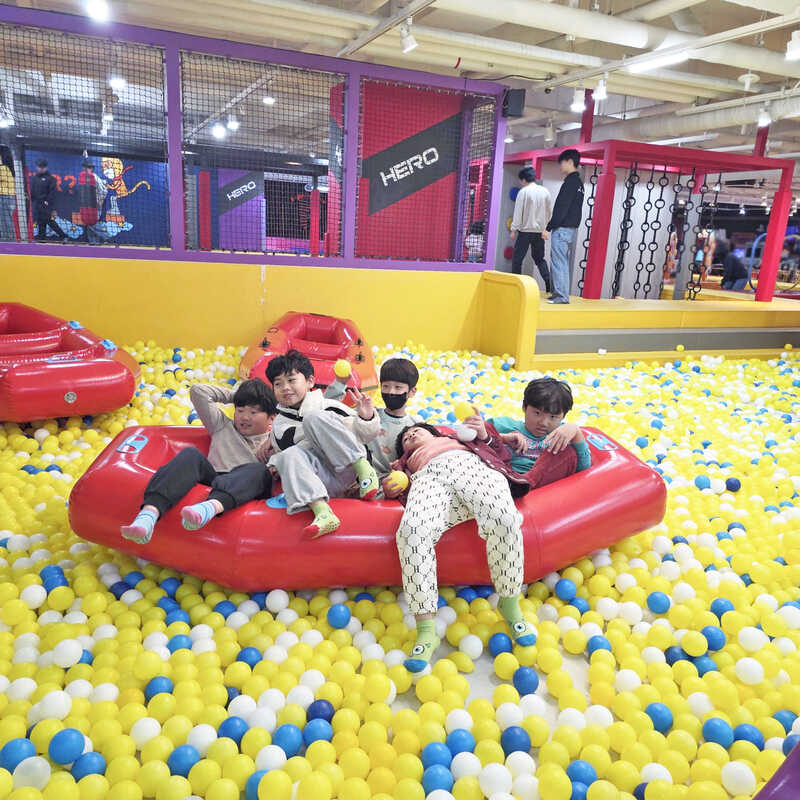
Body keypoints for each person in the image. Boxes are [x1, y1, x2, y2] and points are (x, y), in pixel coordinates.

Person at [388, 421, 538, 672]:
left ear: (435, 433)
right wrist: (389, 487)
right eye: (405, 438)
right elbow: (390, 488)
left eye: (417, 430)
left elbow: (494, 446)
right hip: (429, 479)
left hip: (471, 468)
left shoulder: (457, 439)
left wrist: (487, 432)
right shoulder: (404, 465)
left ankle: (510, 604)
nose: (411, 433)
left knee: (504, 519)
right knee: (412, 532)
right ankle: (426, 629)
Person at [121, 379, 277, 544]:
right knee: (191, 454)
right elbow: (198, 391)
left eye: (253, 412)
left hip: (245, 488)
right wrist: (239, 397)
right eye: (240, 410)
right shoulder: (222, 425)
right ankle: (148, 516)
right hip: (215, 478)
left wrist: (273, 439)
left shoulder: (275, 441)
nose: (244, 417)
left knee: (260, 470)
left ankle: (208, 509)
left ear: (271, 418)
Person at [266, 350, 381, 538]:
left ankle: (364, 470)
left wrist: (366, 418)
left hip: (349, 470)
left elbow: (364, 436)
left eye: (291, 380)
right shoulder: (279, 424)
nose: (285, 388)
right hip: (321, 479)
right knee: (288, 455)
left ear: (310, 381)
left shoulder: (328, 406)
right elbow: (292, 451)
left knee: (314, 418)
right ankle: (322, 512)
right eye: (278, 384)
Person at [488, 377, 591, 478]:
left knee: (568, 453)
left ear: (563, 416)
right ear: (524, 407)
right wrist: (503, 438)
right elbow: (480, 439)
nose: (543, 423)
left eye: (553, 417)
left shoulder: (563, 435)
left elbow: (583, 469)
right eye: (537, 413)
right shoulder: (504, 425)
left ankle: (524, 481)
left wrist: (576, 432)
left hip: (541, 483)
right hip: (504, 475)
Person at [369, 358, 420, 484]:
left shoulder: (415, 425)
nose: (391, 392)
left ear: (412, 391)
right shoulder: (371, 414)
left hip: (395, 482)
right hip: (367, 480)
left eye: (398, 387)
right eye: (386, 386)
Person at [546, 149, 585, 305]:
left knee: (559, 262)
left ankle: (561, 296)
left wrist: (549, 227)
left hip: (562, 228)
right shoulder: (579, 183)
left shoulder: (570, 183)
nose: (560, 166)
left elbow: (561, 208)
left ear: (569, 162)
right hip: (570, 229)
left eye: (562, 162)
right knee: (560, 261)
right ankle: (558, 293)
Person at [510, 166, 553, 292]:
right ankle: (548, 282)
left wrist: (513, 229)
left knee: (517, 259)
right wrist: (546, 228)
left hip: (525, 231)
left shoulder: (523, 192)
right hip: (539, 232)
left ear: (524, 180)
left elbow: (518, 213)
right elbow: (549, 212)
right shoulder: (545, 191)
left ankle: (516, 286)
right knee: (539, 259)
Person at [30, 159, 66, 242]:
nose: (40, 168)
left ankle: (63, 236)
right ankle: (42, 238)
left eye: (42, 167)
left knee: (48, 220)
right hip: (37, 203)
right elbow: (33, 190)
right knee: (40, 221)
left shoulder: (51, 178)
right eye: (39, 167)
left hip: (46, 204)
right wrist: (31, 199)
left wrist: (48, 201)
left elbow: (52, 192)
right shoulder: (35, 178)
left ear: (46, 167)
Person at [78, 159, 106, 243]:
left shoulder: (94, 177)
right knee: (88, 224)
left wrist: (101, 199)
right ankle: (94, 243)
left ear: (92, 169)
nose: (86, 169)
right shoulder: (83, 177)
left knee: (92, 224)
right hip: (86, 204)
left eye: (89, 168)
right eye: (85, 167)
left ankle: (106, 236)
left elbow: (104, 190)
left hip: (95, 205)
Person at [0, 153, 16, 241]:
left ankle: (10, 242)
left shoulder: (3, 168)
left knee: (5, 222)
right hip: (6, 197)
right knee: (3, 222)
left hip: (5, 197)